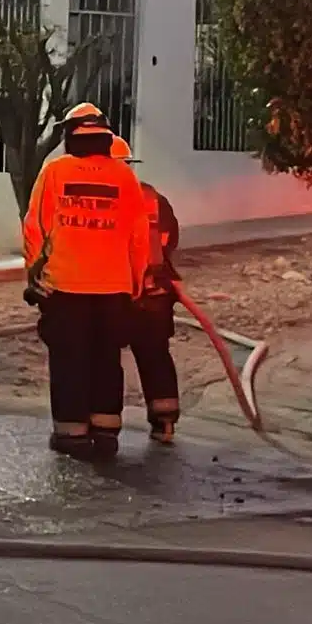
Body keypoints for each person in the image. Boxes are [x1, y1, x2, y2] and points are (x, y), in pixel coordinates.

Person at [22, 103, 150, 458]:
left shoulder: (54, 173)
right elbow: (139, 238)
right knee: (107, 359)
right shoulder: (125, 178)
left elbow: (35, 228)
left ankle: (71, 434)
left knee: (69, 359)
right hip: (114, 289)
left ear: (70, 134)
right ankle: (106, 431)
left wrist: (35, 276)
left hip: (65, 288)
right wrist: (136, 284)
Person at [110, 135, 183, 445]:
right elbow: (171, 239)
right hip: (156, 294)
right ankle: (164, 422)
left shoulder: (103, 198)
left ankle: (105, 423)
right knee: (155, 356)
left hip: (114, 292)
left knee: (105, 358)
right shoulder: (152, 197)